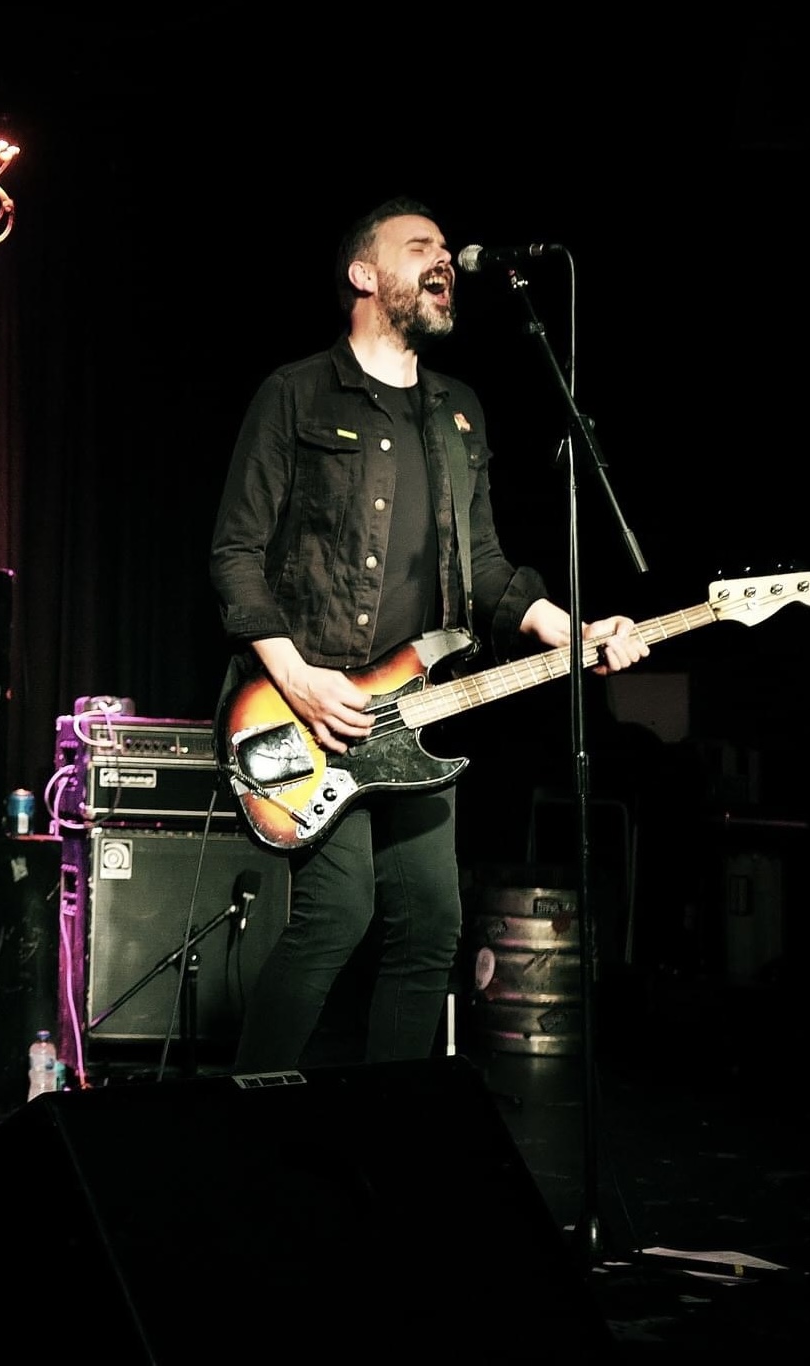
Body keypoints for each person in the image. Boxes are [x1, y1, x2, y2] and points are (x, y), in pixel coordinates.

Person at [207, 196, 648, 1074]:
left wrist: (575, 631)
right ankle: (243, 1120)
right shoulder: (295, 392)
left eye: (447, 248)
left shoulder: (457, 412)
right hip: (307, 708)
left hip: (412, 716)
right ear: (364, 276)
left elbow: (483, 568)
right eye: (420, 247)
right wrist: (298, 678)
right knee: (337, 916)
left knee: (433, 929)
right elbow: (234, 554)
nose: (443, 259)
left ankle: (392, 1138)